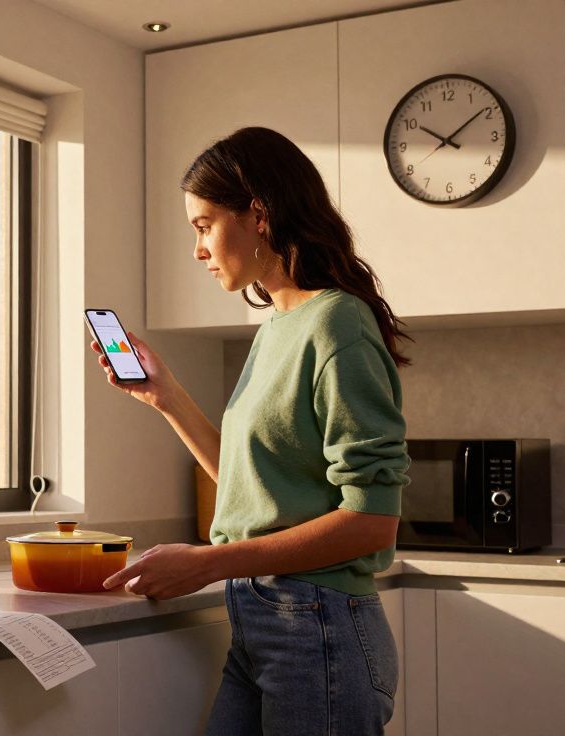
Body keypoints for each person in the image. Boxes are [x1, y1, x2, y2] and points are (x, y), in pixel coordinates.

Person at [96, 127, 411, 735]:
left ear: (258, 216)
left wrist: (210, 563)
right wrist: (165, 395)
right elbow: (254, 485)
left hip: (318, 628)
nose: (198, 249)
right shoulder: (275, 328)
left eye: (203, 224)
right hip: (263, 623)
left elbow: (372, 518)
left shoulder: (338, 324)